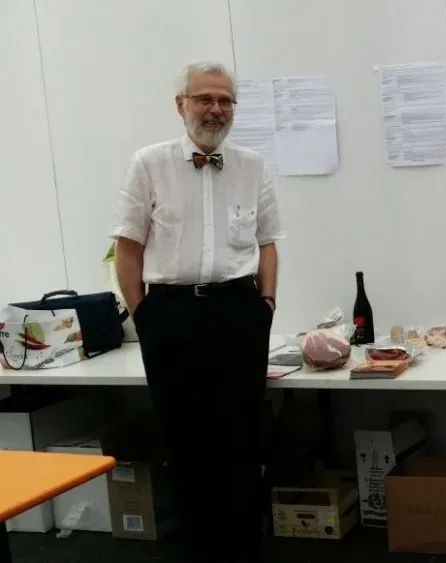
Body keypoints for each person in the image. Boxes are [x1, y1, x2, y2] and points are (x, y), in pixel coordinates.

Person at [111, 61, 284, 562]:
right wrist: (143, 315)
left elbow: (268, 242)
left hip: (238, 312)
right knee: (185, 443)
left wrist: (266, 305)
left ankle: (242, 550)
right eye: (205, 98)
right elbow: (128, 247)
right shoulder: (149, 164)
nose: (216, 109)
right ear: (181, 104)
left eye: (225, 100)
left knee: (242, 441)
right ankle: (200, 551)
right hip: (171, 315)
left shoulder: (252, 165)